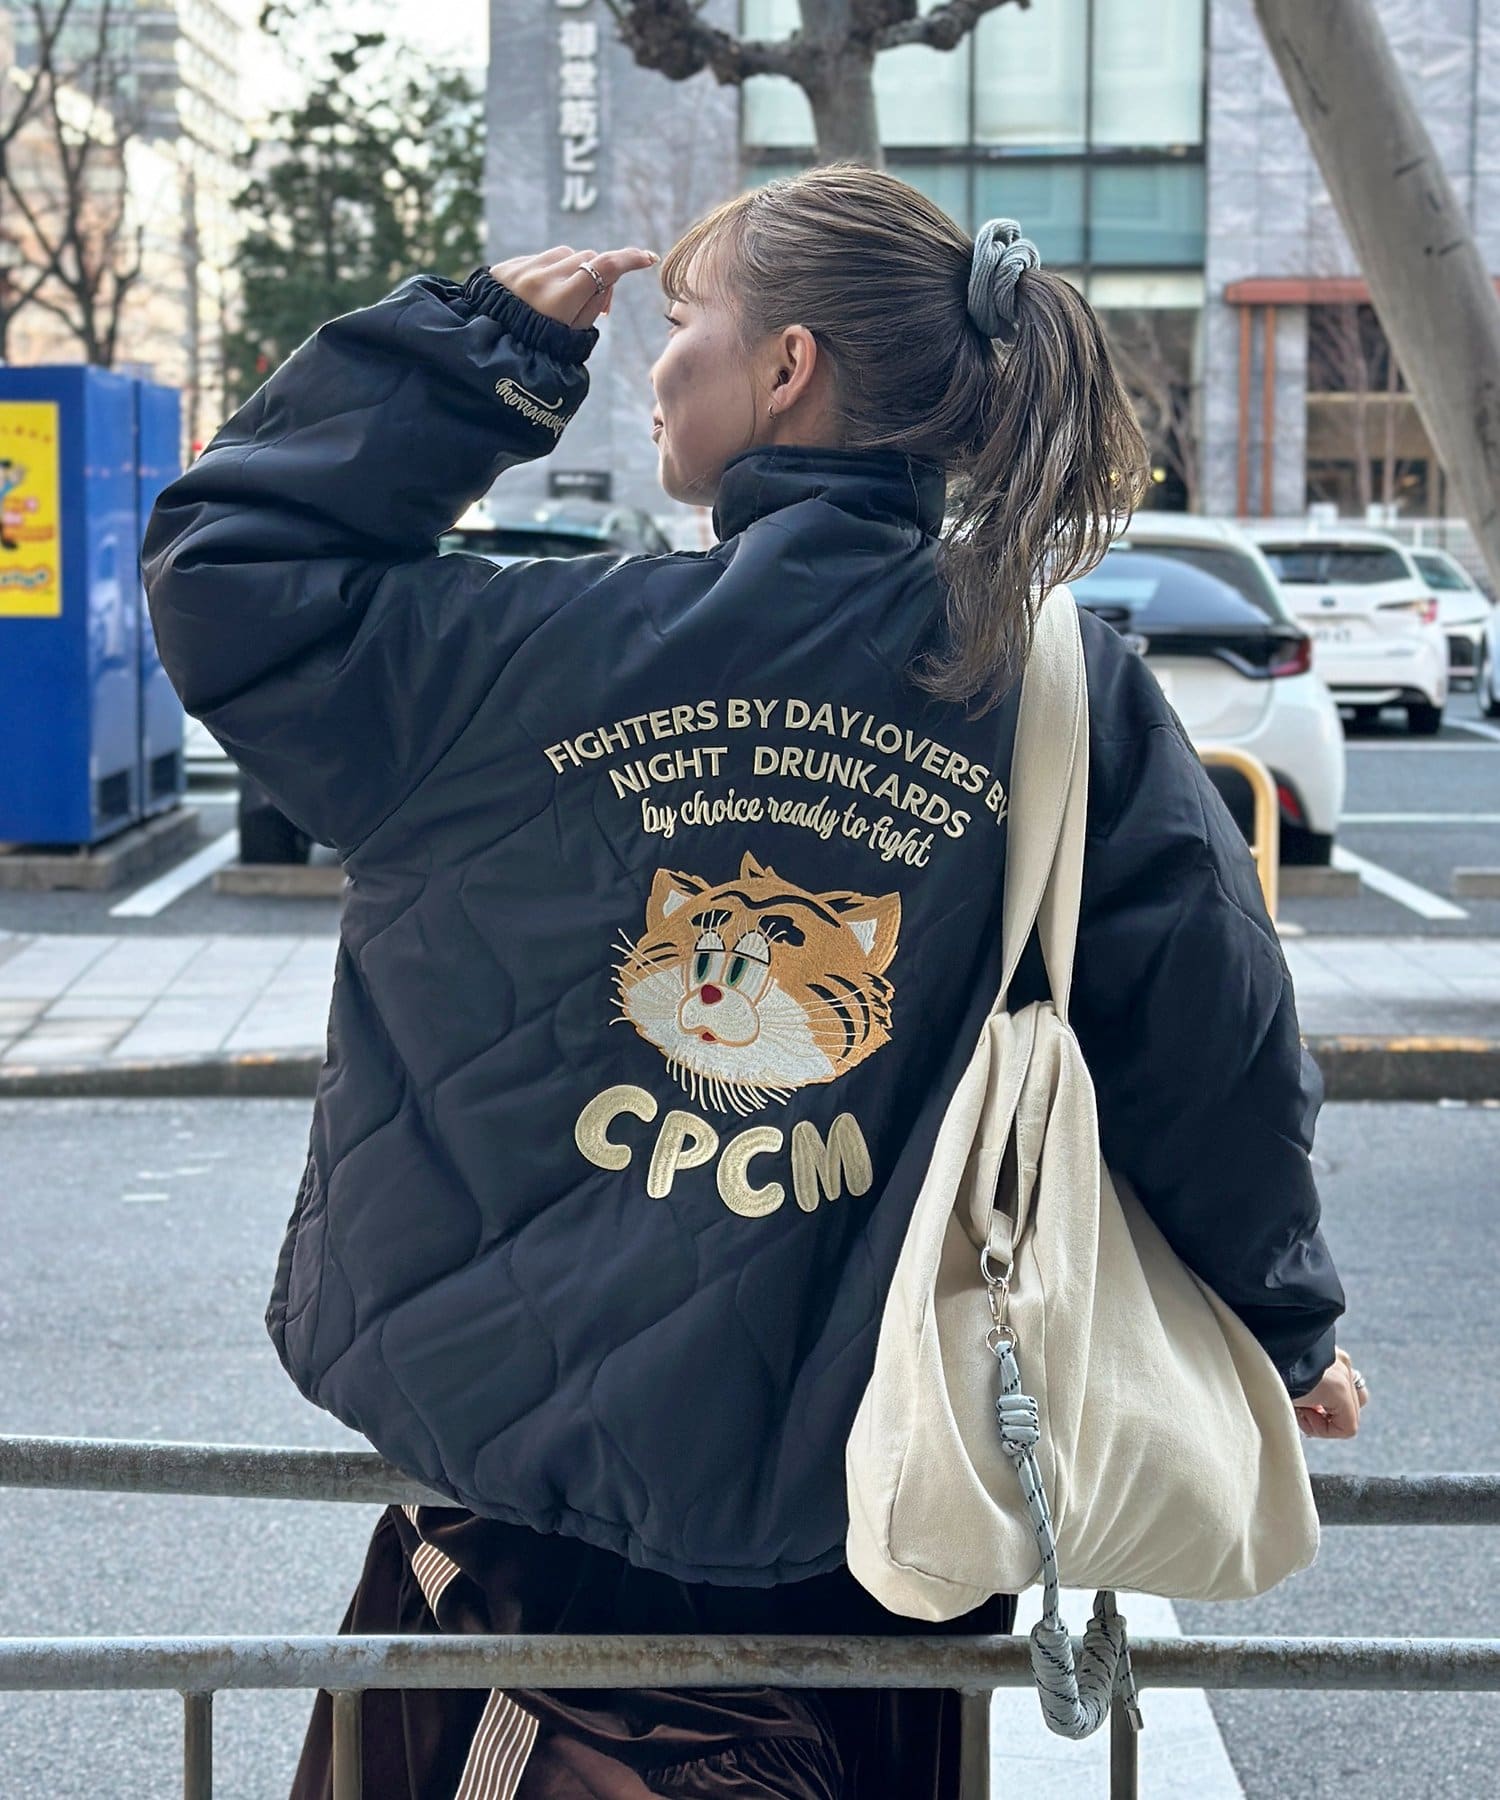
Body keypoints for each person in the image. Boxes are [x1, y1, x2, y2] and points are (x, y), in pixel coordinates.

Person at [142, 165, 1365, 1800]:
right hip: (883, 1516)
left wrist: (480, 353)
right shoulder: (1060, 693)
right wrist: (1283, 1330)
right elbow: (1212, 1053)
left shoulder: (528, 653)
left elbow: (233, 572)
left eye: (685, 321)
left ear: (787, 368)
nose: (654, 363)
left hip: (524, 1516)